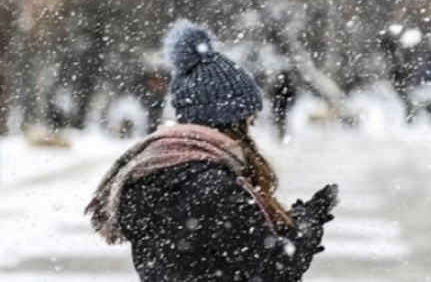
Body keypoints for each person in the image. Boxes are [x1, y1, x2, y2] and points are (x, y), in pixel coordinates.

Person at [86, 20, 338, 282]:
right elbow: (274, 269)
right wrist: (308, 226)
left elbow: (230, 249)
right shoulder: (214, 187)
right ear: (230, 120)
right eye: (248, 121)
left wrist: (295, 222)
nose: (250, 130)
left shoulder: (157, 172)